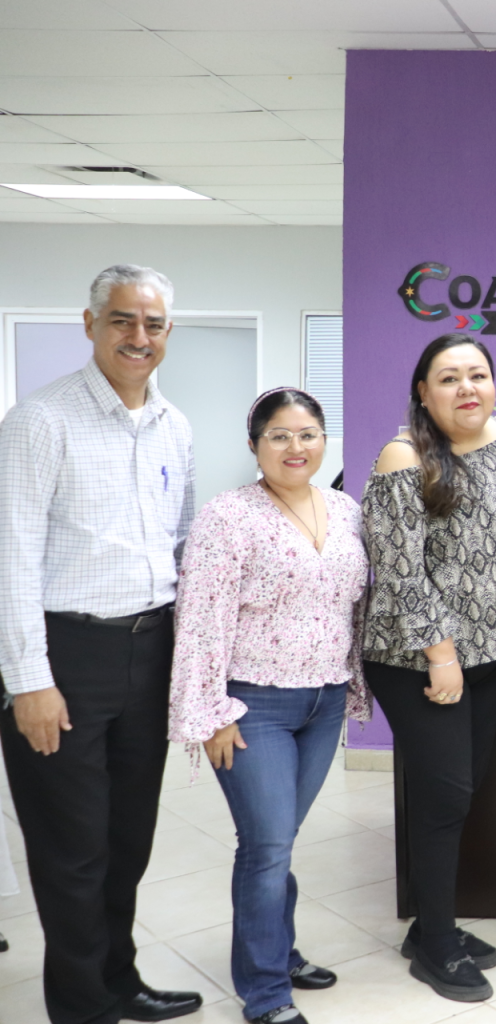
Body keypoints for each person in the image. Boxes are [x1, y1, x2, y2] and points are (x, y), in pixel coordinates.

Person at [0, 265, 204, 1024]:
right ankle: (83, 1007)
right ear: (89, 325)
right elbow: (11, 557)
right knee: (73, 849)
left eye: (152, 324)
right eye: (122, 320)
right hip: (65, 658)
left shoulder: (175, 425)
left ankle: (119, 980)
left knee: (128, 838)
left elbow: (180, 544)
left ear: (168, 333)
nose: (138, 336)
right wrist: (28, 679)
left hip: (150, 651)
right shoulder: (40, 421)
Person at [167, 388, 371, 1024]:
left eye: (308, 434)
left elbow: (356, 605)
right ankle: (265, 992)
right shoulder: (227, 517)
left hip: (324, 701)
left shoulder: (346, 510)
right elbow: (199, 620)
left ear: (324, 441)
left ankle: (279, 951)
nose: (295, 447)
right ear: (254, 444)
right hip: (253, 705)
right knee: (267, 846)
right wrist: (212, 712)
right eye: (279, 435)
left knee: (278, 839)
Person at [361, 333, 496, 1003]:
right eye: (449, 377)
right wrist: (441, 656)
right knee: (444, 797)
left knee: (462, 793)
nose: (467, 388)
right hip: (420, 660)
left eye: (477, 374)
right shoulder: (403, 455)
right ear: (423, 391)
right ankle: (436, 942)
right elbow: (399, 572)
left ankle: (430, 924)